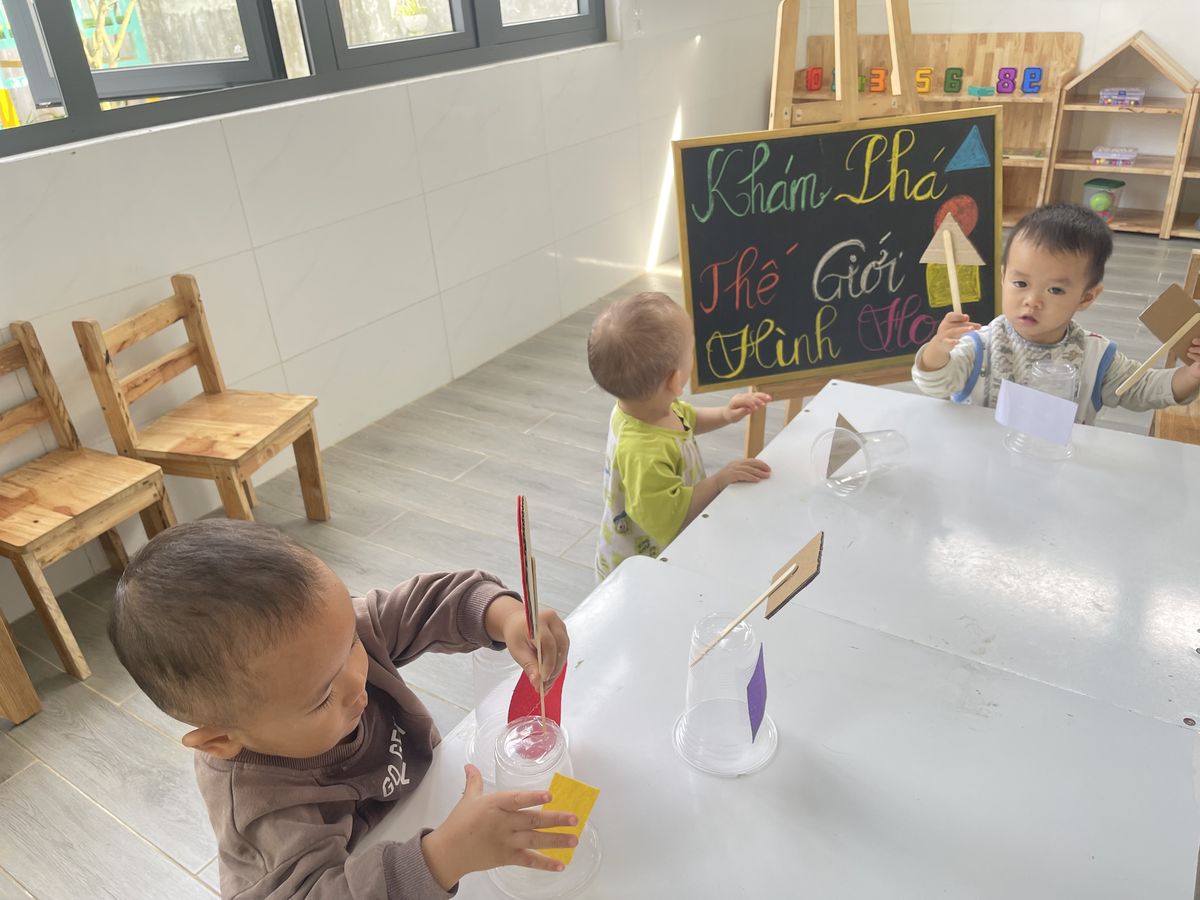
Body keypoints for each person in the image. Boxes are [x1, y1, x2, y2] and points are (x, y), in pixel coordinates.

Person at [108, 518, 574, 899]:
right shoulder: (260, 812)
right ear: (222, 740)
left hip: (424, 806)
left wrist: (504, 615)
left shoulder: (324, 642)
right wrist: (443, 856)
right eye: (322, 698)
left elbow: (431, 602)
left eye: (352, 641)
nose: (358, 683)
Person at [913, 202, 1200, 420]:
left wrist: (1191, 376)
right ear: (1003, 278)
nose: (1032, 301)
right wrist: (938, 350)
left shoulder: (1095, 356)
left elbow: (1142, 388)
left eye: (1055, 290)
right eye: (1021, 283)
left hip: (1057, 468)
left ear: (1086, 297)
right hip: (981, 465)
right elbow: (935, 384)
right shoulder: (980, 345)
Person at [586, 291, 772, 581]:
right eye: (691, 351)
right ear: (675, 380)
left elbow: (687, 418)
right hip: (642, 568)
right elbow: (671, 516)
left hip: (663, 539)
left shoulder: (646, 406)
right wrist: (718, 482)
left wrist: (725, 413)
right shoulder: (644, 453)